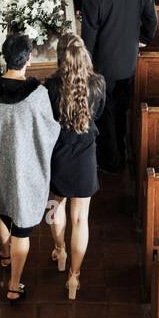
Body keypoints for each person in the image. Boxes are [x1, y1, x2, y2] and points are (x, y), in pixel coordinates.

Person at [0, 33, 61, 303]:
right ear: (28, 60)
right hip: (24, 170)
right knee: (22, 228)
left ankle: (5, 253)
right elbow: (49, 129)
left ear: (4, 57)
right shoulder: (38, 95)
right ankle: (14, 284)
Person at [80, 0, 158, 173]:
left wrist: (86, 64)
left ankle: (111, 160)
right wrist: (142, 39)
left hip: (104, 63)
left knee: (107, 111)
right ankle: (122, 150)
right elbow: (152, 20)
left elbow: (89, 34)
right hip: (129, 58)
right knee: (123, 106)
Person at [46, 33, 105, 300]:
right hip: (84, 158)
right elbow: (100, 113)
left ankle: (60, 251)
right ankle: (74, 276)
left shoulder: (51, 86)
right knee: (81, 218)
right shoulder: (98, 84)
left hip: (58, 154)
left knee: (55, 207)